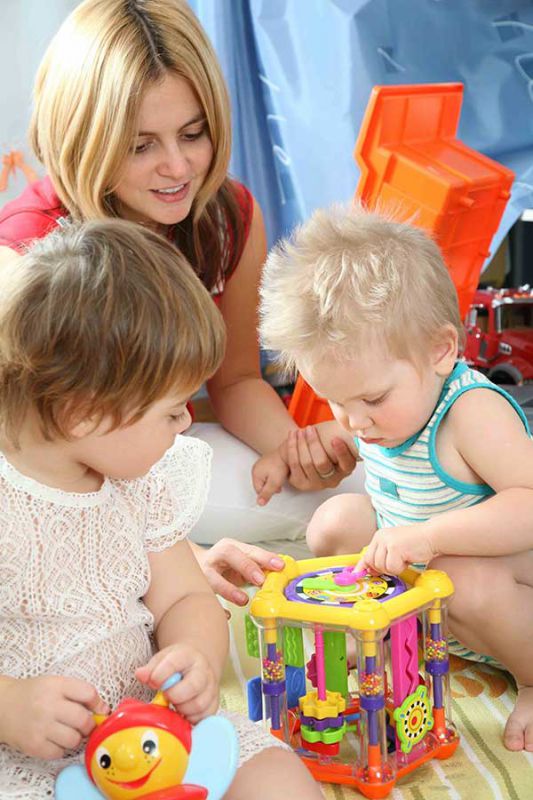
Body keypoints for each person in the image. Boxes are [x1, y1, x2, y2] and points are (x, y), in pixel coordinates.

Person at [0, 0, 364, 605]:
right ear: (85, 136)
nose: (177, 167)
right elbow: (29, 460)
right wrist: (179, 558)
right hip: (59, 482)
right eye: (141, 146)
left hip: (169, 452)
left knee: (357, 492)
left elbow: (239, 378)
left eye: (193, 134)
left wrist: (291, 448)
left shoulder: (227, 217)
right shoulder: (28, 252)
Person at [0, 219, 324, 799]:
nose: (186, 424)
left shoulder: (140, 482)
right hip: (31, 762)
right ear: (83, 413)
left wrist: (195, 656)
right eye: (172, 411)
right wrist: (9, 707)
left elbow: (184, 596)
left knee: (277, 781)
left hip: (159, 732)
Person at [258, 203, 533, 753]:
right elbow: (353, 441)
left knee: (462, 577)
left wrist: (429, 538)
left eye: (372, 399)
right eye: (337, 400)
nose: (357, 420)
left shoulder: (470, 413)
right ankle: (390, 629)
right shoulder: (379, 411)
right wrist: (291, 455)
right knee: (335, 521)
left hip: (502, 586)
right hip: (432, 587)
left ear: (440, 350)